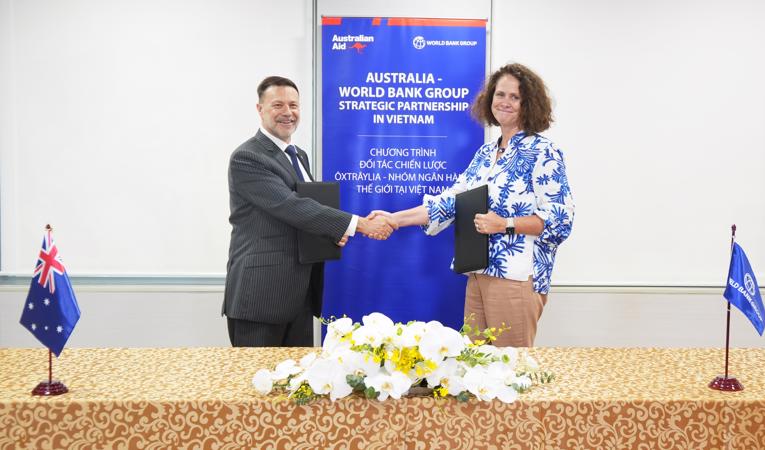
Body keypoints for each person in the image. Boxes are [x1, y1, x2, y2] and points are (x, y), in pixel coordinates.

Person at [369, 63, 575, 347]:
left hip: (516, 278)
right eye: (499, 94)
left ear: (530, 103)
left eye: (514, 97)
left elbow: (560, 219)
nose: (504, 102)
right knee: (475, 369)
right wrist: (395, 218)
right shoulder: (485, 154)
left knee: (511, 371)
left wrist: (505, 224)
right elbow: (451, 202)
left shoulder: (543, 151)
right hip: (478, 273)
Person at [223, 75, 396, 347]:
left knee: (296, 382)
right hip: (261, 296)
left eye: (293, 105)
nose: (288, 112)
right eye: (277, 105)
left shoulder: (297, 155)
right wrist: (358, 224)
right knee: (255, 383)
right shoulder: (249, 157)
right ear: (260, 109)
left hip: (299, 293)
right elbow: (291, 206)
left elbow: (302, 213)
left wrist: (329, 234)